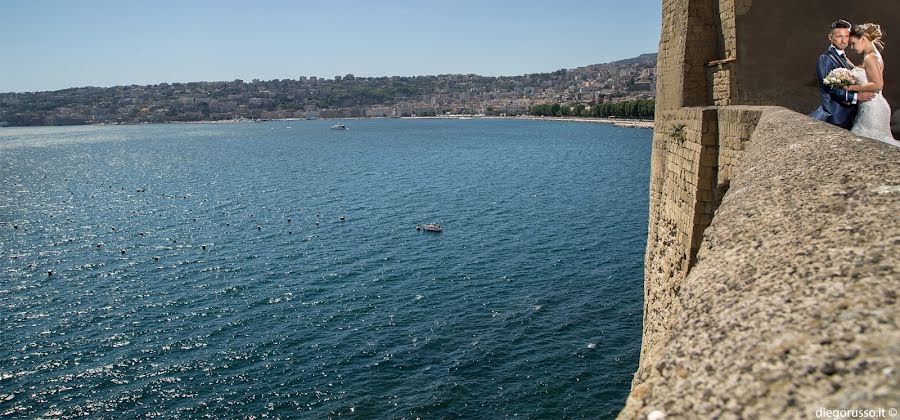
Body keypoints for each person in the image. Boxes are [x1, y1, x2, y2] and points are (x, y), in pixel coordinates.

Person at [810, 20, 875, 129]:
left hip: (850, 114)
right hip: (835, 116)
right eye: (839, 36)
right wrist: (856, 96)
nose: (843, 40)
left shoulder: (844, 58)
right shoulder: (825, 58)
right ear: (830, 37)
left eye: (846, 36)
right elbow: (830, 88)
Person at [845, 23, 900, 146]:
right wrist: (850, 65)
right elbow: (866, 76)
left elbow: (878, 84)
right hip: (873, 106)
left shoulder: (869, 58)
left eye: (853, 43)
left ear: (863, 39)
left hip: (872, 109)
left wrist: (852, 87)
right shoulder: (872, 55)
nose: (852, 48)